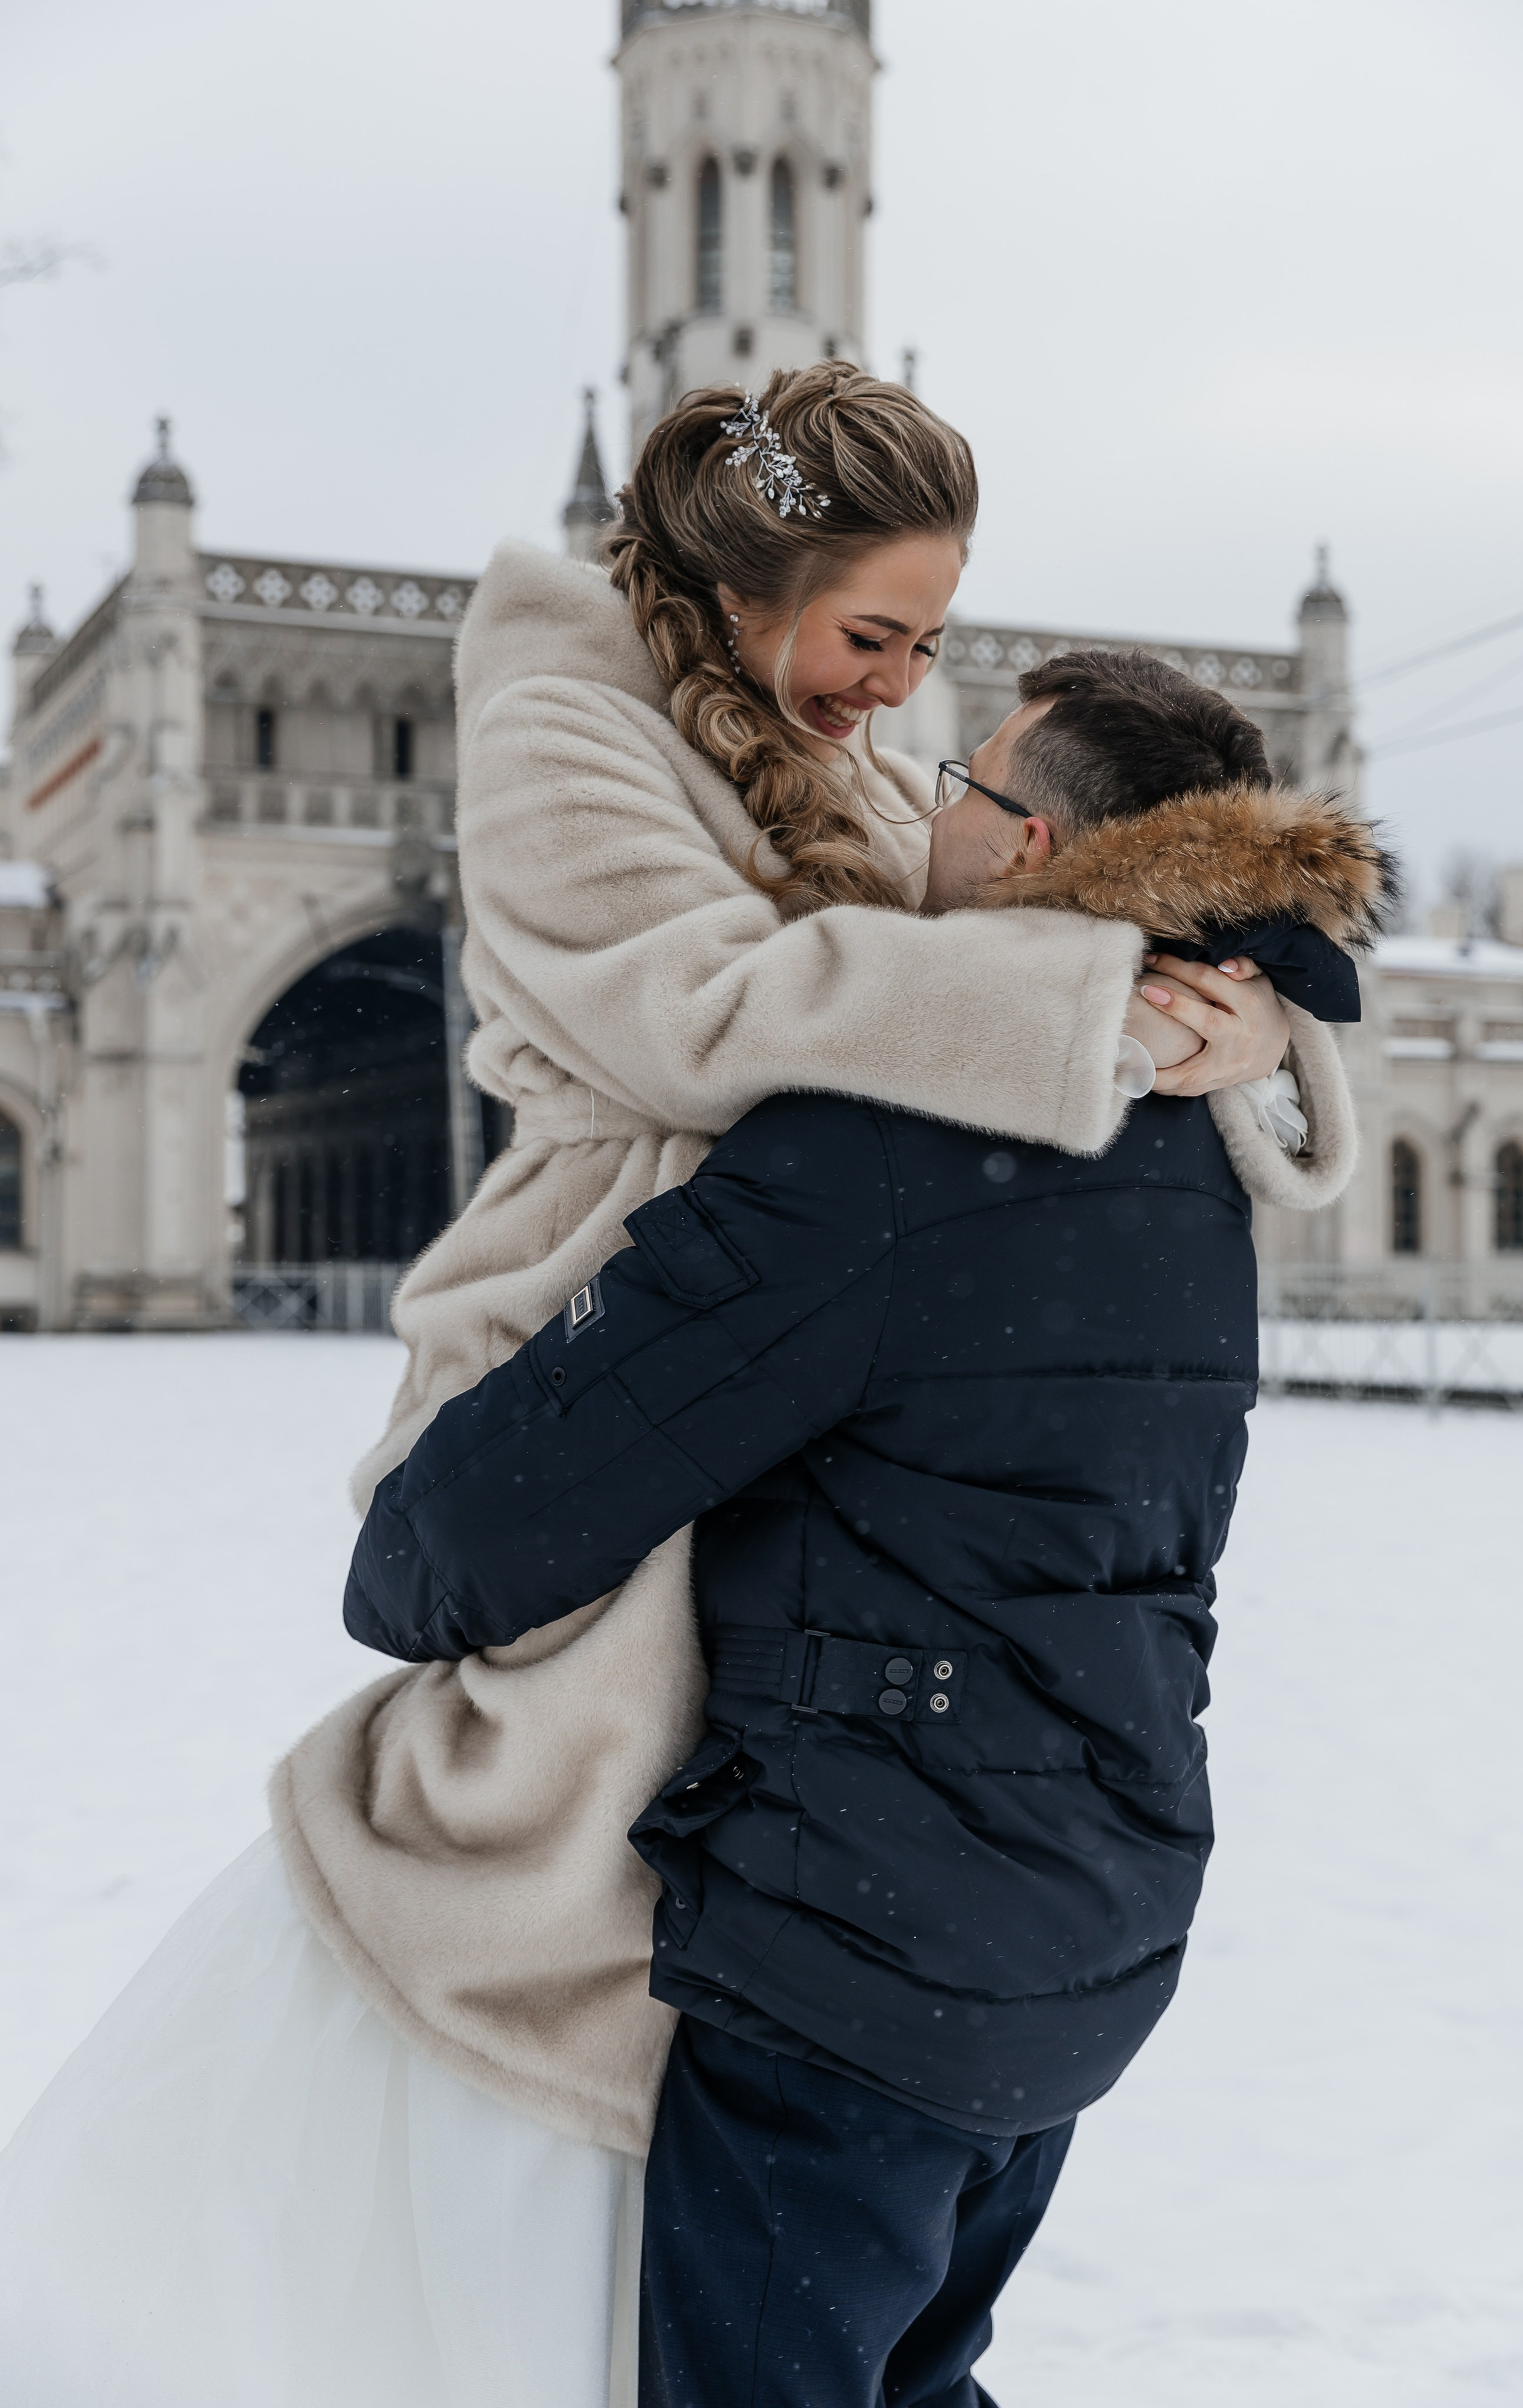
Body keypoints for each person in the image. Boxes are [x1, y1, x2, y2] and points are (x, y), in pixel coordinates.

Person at [0, 373, 1345, 2407]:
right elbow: (724, 1013)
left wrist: (1254, 1022)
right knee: (570, 1957)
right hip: (621, 1336)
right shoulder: (559, 726)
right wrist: (1101, 999)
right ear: (744, 584)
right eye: (869, 636)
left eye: (928, 654)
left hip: (794, 1406)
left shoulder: (872, 781)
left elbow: (1000, 943)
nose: (894, 701)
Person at [343, 647, 1393, 2406]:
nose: (925, 788)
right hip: (1086, 1930)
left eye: (967, 778)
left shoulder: (891, 1147)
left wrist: (403, 1562)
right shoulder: (1201, 1136)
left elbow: (531, 1487)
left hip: (861, 1963)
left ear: (1033, 842)